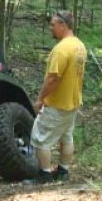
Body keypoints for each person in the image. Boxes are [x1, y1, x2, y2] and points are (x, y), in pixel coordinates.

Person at [29, 10, 86, 184]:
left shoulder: (61, 49)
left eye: (53, 25)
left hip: (57, 103)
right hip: (73, 102)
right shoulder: (79, 46)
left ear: (63, 25)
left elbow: (53, 79)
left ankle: (44, 175)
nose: (50, 28)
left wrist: (40, 99)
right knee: (66, 137)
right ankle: (63, 171)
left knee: (40, 138)